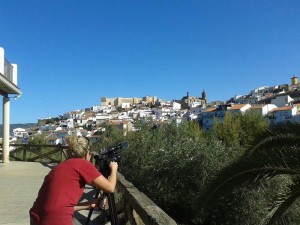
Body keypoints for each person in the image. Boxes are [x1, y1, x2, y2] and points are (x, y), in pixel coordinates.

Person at [29, 135, 118, 225]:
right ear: (87, 153)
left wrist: (89, 204)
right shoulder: (82, 163)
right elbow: (110, 188)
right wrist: (114, 168)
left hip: (37, 216)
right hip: (56, 220)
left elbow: (61, 206)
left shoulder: (60, 167)